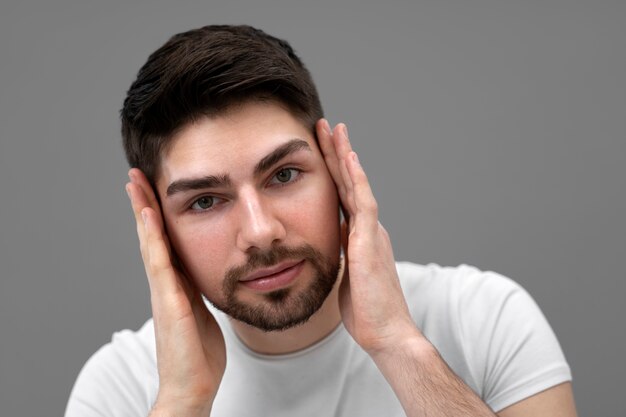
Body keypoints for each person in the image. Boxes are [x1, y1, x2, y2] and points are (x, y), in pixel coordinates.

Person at [65, 25, 577, 416]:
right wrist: (183, 401)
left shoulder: (483, 320)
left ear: (336, 168)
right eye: (204, 201)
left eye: (284, 175)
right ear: (157, 227)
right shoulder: (121, 387)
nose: (261, 231)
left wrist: (399, 345)